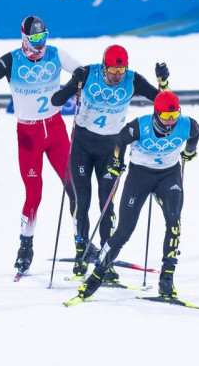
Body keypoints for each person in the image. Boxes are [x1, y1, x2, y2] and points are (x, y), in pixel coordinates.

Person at [0, 15, 81, 277]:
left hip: (55, 130)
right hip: (29, 135)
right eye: (35, 40)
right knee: (34, 195)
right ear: (24, 38)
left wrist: (75, 87)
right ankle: (25, 247)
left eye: (43, 38)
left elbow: (82, 71)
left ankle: (83, 242)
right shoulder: (12, 60)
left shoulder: (55, 53)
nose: (40, 45)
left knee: (75, 187)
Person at [51, 45, 170, 283]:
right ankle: (80, 254)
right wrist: (75, 81)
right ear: (104, 65)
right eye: (113, 69)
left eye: (121, 69)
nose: (117, 75)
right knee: (82, 201)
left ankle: (106, 260)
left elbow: (163, 103)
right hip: (83, 146)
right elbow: (56, 101)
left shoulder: (132, 79)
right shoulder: (88, 74)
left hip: (112, 149)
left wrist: (163, 83)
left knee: (107, 205)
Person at [72, 91, 199, 302]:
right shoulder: (140, 126)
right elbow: (120, 140)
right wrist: (116, 162)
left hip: (169, 176)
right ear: (155, 113)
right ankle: (96, 278)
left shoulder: (188, 125)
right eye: (166, 117)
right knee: (124, 230)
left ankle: (167, 280)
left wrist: (190, 151)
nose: (170, 123)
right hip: (139, 176)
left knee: (174, 221)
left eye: (174, 116)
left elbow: (195, 134)